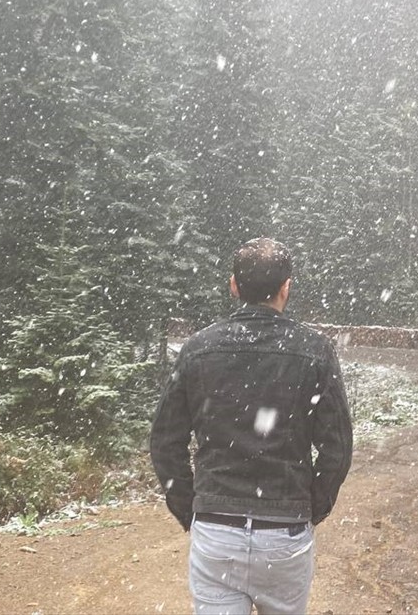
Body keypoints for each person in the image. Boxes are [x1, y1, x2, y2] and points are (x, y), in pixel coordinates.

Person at [150, 237, 353, 615]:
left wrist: (192, 508)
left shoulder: (198, 348)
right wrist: (310, 508)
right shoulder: (315, 350)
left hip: (216, 530)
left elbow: (164, 441)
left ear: (233, 286)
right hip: (285, 534)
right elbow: (337, 447)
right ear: (286, 288)